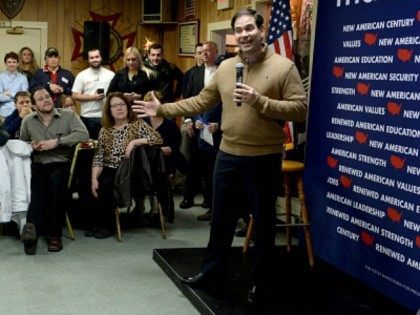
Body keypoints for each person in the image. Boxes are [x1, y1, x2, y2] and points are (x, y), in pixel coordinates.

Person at [133, 8, 307, 305]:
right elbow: (201, 100)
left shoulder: (283, 67)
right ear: (234, 35)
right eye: (239, 30)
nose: (245, 34)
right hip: (227, 154)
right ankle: (212, 273)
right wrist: (162, 110)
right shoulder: (227, 68)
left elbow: (300, 109)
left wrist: (260, 101)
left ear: (261, 30)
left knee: (263, 224)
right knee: (221, 220)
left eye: (250, 28)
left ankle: (260, 282)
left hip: (264, 157)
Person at [19, 87, 89, 255]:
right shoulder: (28, 121)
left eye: (48, 97)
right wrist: (32, 146)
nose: (46, 100)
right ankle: (31, 236)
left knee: (57, 185)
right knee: (37, 190)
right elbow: (22, 144)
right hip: (39, 163)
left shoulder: (68, 115)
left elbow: (83, 134)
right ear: (35, 106)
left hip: (61, 163)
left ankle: (55, 235)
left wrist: (57, 142)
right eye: (41, 99)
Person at [90, 92, 162, 238]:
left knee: (106, 184)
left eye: (122, 104)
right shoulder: (105, 130)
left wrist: (134, 142)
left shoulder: (137, 124)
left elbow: (157, 138)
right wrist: (93, 177)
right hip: (110, 168)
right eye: (114, 106)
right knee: (93, 182)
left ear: (127, 107)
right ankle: (97, 222)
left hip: (131, 171)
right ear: (109, 110)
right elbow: (99, 157)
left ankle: (106, 225)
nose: (119, 108)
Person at [179, 41, 220, 222]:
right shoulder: (192, 74)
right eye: (201, 52)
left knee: (212, 168)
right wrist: (188, 120)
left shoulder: (223, 72)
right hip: (196, 125)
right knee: (194, 163)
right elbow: (187, 98)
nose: (204, 54)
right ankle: (188, 197)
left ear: (215, 52)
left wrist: (218, 123)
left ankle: (210, 204)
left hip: (216, 127)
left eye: (208, 51)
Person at [72, 48, 115, 140]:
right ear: (88, 60)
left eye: (97, 57)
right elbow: (75, 95)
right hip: (87, 117)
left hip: (107, 116)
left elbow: (117, 95)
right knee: (89, 146)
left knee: (106, 144)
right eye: (92, 58)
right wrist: (93, 97)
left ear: (101, 58)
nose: (94, 59)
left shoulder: (111, 75)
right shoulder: (82, 75)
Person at [0, 52, 28, 121]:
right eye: (9, 62)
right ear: (5, 63)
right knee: (6, 131)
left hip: (21, 111)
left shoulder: (23, 78)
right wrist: (17, 95)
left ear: (18, 63)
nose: (11, 64)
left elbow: (24, 96)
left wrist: (9, 93)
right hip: (4, 111)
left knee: (21, 131)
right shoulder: (0, 77)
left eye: (14, 62)